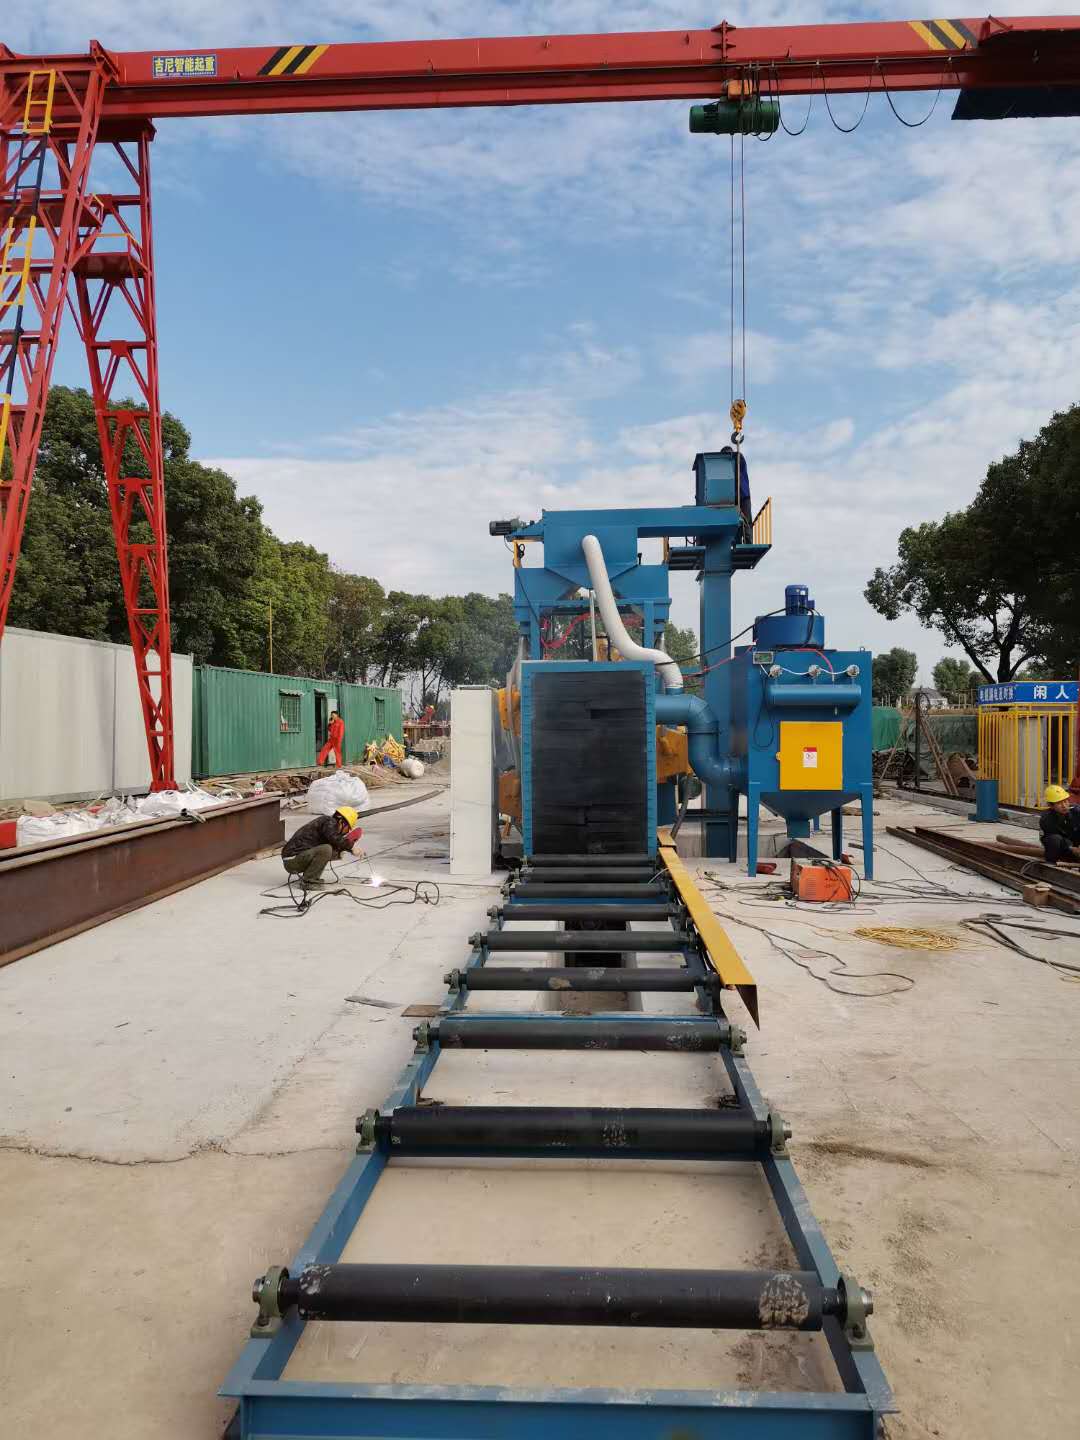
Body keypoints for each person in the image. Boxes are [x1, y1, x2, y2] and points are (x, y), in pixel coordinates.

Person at [281, 805, 360, 888]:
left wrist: (347, 850)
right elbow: (334, 838)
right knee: (326, 849)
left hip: (293, 859)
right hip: (292, 861)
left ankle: (308, 877)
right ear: (342, 822)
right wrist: (352, 847)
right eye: (348, 828)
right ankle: (309, 881)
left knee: (331, 851)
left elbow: (335, 842)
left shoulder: (329, 827)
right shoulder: (328, 822)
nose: (347, 832)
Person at [1039, 785, 1080, 864]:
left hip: (1074, 841)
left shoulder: (1076, 811)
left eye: (1065, 801)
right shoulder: (1047, 819)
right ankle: (1051, 863)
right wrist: (1072, 848)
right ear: (1051, 806)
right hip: (1059, 844)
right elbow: (1057, 838)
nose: (1064, 806)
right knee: (1054, 839)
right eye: (1059, 803)